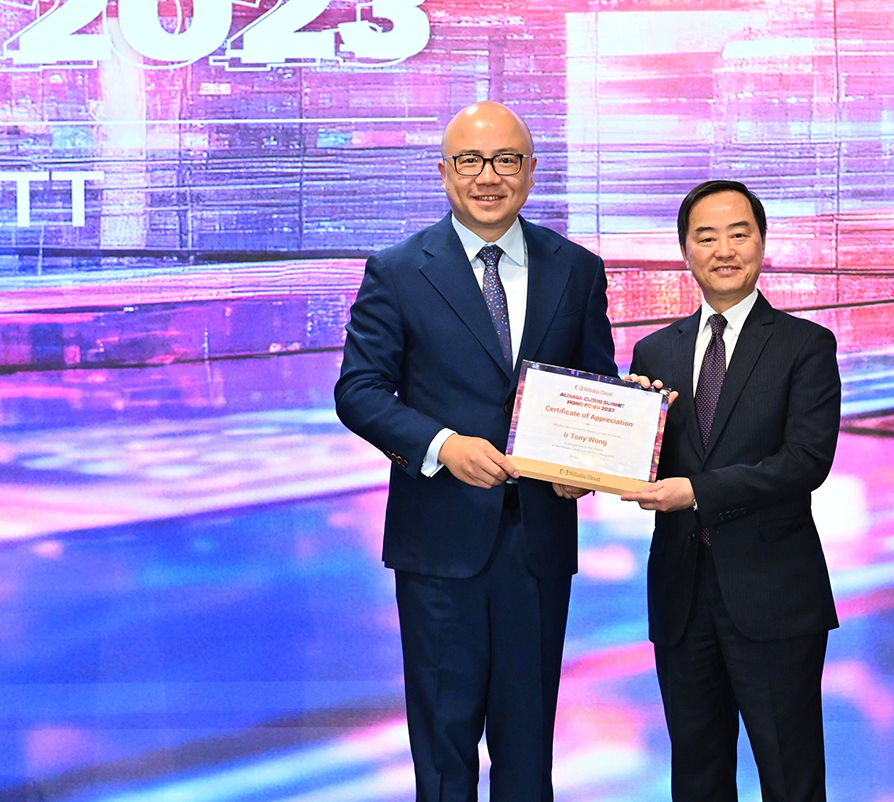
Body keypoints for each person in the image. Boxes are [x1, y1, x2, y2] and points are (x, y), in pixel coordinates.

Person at [334, 101, 616, 802]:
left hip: (539, 545)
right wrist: (441, 445)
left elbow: (598, 388)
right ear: (443, 171)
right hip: (438, 545)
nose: (488, 176)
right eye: (470, 160)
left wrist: (591, 462)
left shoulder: (577, 270)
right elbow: (359, 391)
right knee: (443, 753)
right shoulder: (397, 270)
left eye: (506, 160)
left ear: (530, 171)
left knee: (528, 754)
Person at [622, 180, 841, 802]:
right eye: (706, 236)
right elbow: (639, 463)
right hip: (681, 595)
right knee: (696, 773)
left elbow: (804, 462)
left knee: (789, 773)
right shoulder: (654, 351)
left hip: (775, 593)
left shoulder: (805, 345)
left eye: (738, 233)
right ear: (685, 251)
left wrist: (696, 491)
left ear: (762, 243)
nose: (724, 249)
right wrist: (581, 467)